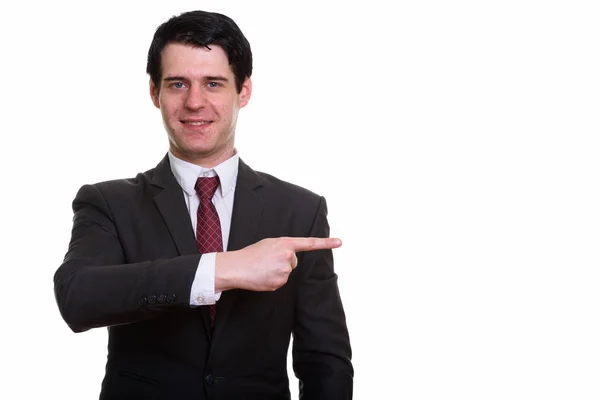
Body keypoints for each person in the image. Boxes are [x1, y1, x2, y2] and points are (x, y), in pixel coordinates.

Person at [53, 9, 353, 400]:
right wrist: (219, 269)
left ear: (243, 91)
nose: (195, 102)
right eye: (178, 84)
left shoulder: (300, 210)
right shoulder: (108, 202)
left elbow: (324, 359)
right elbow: (77, 298)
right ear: (154, 92)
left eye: (213, 83)